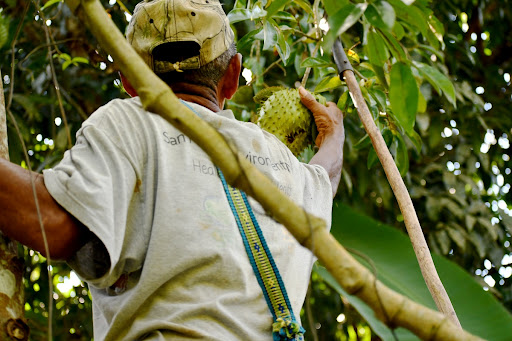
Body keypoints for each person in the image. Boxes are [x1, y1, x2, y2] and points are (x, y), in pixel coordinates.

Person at [0, 0, 344, 339]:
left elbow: (56, 223)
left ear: (130, 82)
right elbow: (325, 178)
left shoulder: (129, 121)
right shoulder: (282, 162)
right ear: (232, 75)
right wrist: (333, 135)